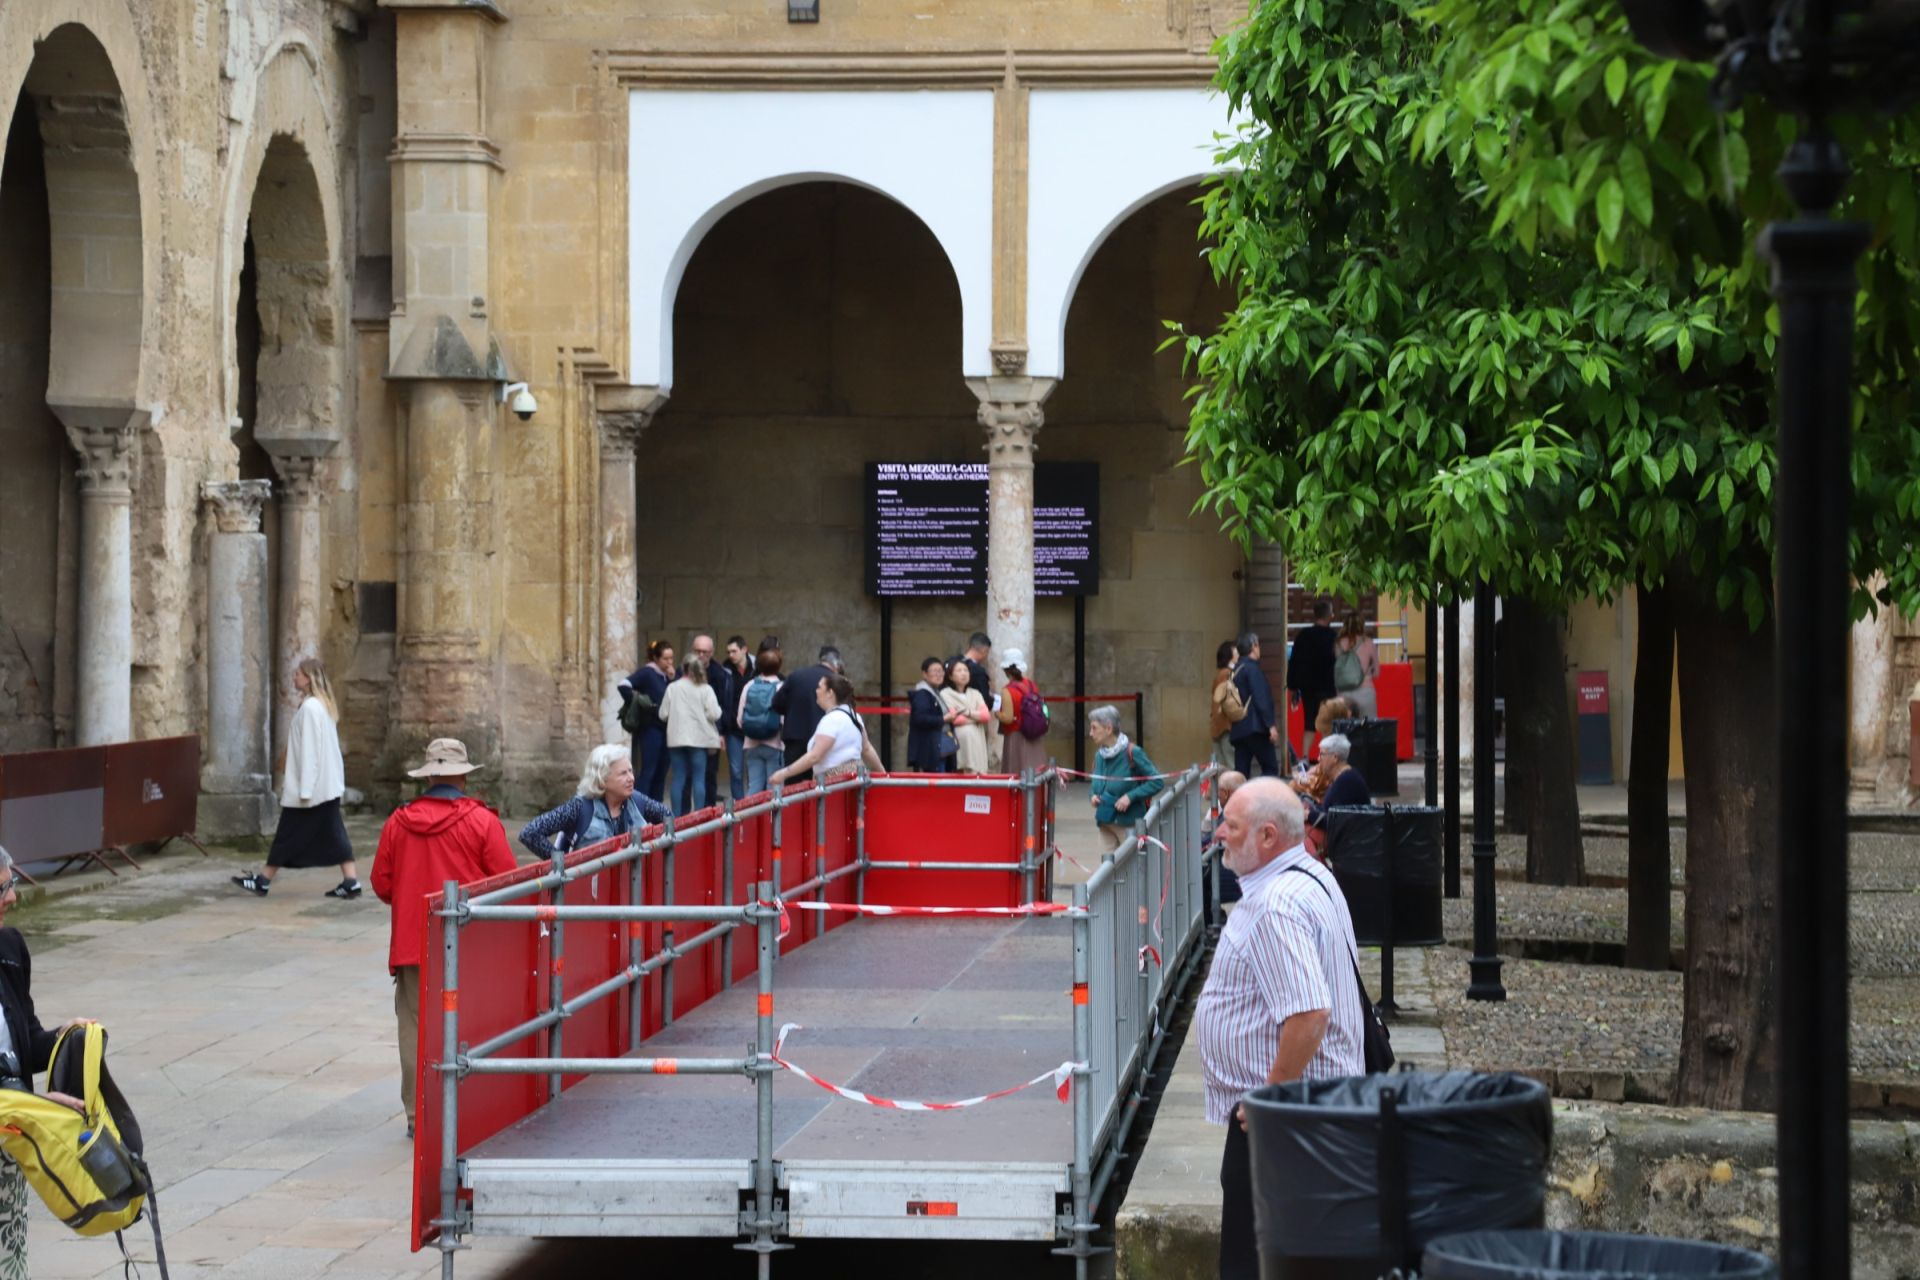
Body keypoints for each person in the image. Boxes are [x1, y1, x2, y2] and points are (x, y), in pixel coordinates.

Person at [1195, 778, 1365, 1279]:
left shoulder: (1276, 906)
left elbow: (1310, 1012)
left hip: (1284, 1125)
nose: (1219, 832)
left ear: (1268, 837)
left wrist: (1273, 1094)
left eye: (1232, 825)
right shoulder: (1313, 874)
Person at [370, 739, 517, 1138]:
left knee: (414, 1028)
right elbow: (505, 880)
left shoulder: (398, 822)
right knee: (470, 1022)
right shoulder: (482, 822)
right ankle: (466, 1106)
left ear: (431, 776)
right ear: (464, 777)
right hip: (467, 942)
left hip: (413, 943)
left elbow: (381, 882)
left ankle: (419, 1116)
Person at [0, 844, 91, 1278]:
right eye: (2, 888)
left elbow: (27, 1046)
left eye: (11, 883)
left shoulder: (10, 949)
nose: (12, 897)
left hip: (10, 1145)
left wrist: (67, 1038)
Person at [233, 657, 360, 898]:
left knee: (288, 834)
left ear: (309, 678)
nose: (294, 678)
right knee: (333, 832)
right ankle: (351, 881)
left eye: (298, 674)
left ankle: (263, 881)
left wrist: (305, 789)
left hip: (313, 790)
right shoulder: (321, 705)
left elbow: (311, 751)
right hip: (325, 786)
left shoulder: (311, 708)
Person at [517, 744, 670, 857]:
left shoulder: (636, 800)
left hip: (632, 891)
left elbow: (670, 820)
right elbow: (529, 833)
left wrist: (652, 838)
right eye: (623, 774)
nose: (631, 778)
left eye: (631, 771)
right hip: (590, 894)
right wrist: (562, 863)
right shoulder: (580, 807)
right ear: (602, 780)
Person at [770, 673, 883, 786]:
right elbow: (867, 748)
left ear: (830, 693)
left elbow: (815, 756)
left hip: (835, 784)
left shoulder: (831, 720)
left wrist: (783, 773)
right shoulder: (854, 716)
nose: (816, 691)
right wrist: (884, 774)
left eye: (819, 687)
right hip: (856, 780)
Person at [1087, 705, 1164, 852]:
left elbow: (1157, 781)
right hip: (1105, 823)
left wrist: (1130, 796)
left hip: (1128, 825)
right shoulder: (1099, 756)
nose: (1090, 733)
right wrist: (1093, 796)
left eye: (1094, 728)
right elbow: (1095, 785)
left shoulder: (1133, 752)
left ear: (1108, 729)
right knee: (1107, 871)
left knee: (1131, 871)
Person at [659, 656, 723, 816]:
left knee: (678, 778)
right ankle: (699, 816)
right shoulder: (705, 689)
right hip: (699, 740)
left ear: (683, 667)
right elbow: (714, 714)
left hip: (676, 739)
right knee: (698, 779)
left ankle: (675, 818)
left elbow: (662, 714)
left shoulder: (673, 688)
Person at [774, 645, 842, 780]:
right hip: (823, 742)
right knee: (820, 786)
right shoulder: (836, 682)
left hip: (795, 739)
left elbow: (776, 703)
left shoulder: (796, 675)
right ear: (836, 664)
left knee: (793, 787)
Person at [622, 640, 675, 803]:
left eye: (671, 658)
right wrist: (638, 701)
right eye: (665, 659)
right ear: (656, 659)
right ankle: (638, 808)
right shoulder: (647, 672)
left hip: (666, 728)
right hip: (650, 728)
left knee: (661, 771)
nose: (669, 662)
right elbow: (623, 685)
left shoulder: (668, 676)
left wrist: (672, 679)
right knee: (648, 770)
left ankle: (655, 809)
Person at [1287, 601, 1339, 757]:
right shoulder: (1333, 637)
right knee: (1326, 724)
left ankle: (1304, 758)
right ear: (1329, 616)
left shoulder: (1303, 636)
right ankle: (1325, 757)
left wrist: (1293, 685)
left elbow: (1294, 661)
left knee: (1309, 723)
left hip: (1308, 688)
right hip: (1328, 687)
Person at [1228, 632, 1280, 778]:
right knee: (1270, 768)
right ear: (1253, 647)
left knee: (1240, 775)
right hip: (1256, 728)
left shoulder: (1235, 671)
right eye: (1258, 645)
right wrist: (1270, 725)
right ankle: (1262, 799)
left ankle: (1240, 799)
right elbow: (1261, 698)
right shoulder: (1253, 669)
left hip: (1238, 729)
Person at [1296, 732, 1372, 829]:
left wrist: (1309, 815)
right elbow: (1331, 812)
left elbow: (1336, 822)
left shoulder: (1346, 781)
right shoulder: (1344, 777)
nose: (1319, 759)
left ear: (1334, 757)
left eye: (1322, 754)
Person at [738, 647, 787, 798]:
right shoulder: (782, 687)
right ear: (779, 666)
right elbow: (783, 719)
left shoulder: (749, 685)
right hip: (775, 744)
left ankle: (750, 821)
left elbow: (740, 720)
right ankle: (771, 821)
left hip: (751, 743)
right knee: (773, 788)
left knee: (754, 787)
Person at [994, 649, 1049, 778]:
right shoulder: (1031, 685)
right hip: (1033, 734)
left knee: (1016, 772)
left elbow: (1007, 718)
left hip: (1016, 736)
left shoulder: (1008, 690)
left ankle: (1021, 799)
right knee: (1035, 772)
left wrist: (997, 713)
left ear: (1006, 670)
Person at [715, 635, 753, 800]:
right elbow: (721, 702)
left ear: (744, 650)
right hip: (732, 729)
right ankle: (740, 806)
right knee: (736, 771)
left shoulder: (757, 668)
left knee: (753, 771)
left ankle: (755, 805)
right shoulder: (725, 671)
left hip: (753, 727)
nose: (731, 655)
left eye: (734, 651)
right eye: (728, 651)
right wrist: (721, 731)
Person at [939, 657, 992, 775]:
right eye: (959, 670)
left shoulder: (975, 693)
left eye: (966, 670)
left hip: (977, 740)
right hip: (960, 742)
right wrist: (976, 718)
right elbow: (956, 719)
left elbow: (986, 716)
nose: (964, 673)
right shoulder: (945, 694)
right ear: (951, 676)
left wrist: (967, 712)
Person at [905, 656, 952, 773]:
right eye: (934, 671)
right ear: (924, 674)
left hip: (939, 747)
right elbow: (920, 718)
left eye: (941, 671)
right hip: (929, 750)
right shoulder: (923, 694)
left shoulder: (935, 692)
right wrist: (944, 719)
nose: (939, 674)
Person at [961, 632, 999, 770]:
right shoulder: (977, 671)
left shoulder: (951, 662)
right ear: (984, 650)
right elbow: (985, 701)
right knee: (973, 764)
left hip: (955, 723)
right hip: (971, 723)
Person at [1333, 610, 1380, 718]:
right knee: (1369, 728)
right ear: (1362, 625)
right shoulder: (1368, 643)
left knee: (1344, 730)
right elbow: (1377, 673)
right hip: (1365, 691)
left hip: (1343, 692)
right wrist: (1369, 672)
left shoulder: (1338, 643)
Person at [1209, 639, 1242, 771]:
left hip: (1219, 726)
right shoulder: (1226, 674)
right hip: (1226, 727)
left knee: (1222, 769)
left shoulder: (1222, 674)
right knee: (1230, 767)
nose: (1238, 654)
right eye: (1235, 651)